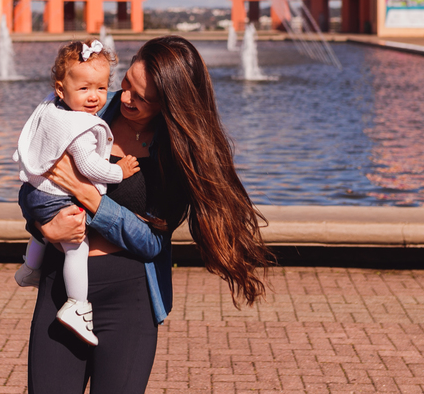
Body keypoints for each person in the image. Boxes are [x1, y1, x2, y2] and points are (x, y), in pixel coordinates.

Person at [27, 35, 272, 394]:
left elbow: (150, 241)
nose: (124, 98)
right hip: (60, 288)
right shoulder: (83, 111)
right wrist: (44, 225)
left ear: (169, 104)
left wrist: (89, 199)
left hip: (129, 297)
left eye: (142, 98)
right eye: (125, 84)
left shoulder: (176, 153)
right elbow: (34, 183)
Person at [14, 39, 137, 345]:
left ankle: (30, 269)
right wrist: (119, 171)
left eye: (101, 88)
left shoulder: (52, 109)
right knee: (76, 247)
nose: (94, 97)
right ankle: (77, 306)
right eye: (84, 89)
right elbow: (91, 167)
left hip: (33, 191)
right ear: (61, 89)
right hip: (56, 197)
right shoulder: (79, 127)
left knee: (42, 232)